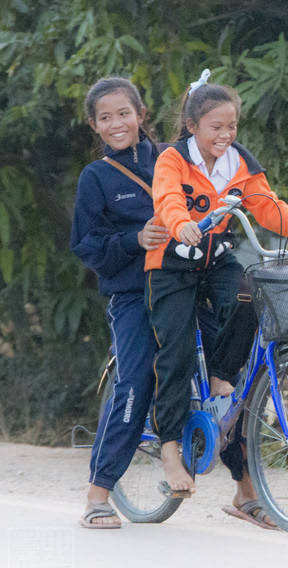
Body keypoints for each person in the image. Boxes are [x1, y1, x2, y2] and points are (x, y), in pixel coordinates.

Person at [145, 70, 288, 528]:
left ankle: (224, 377)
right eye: (216, 128)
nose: (225, 136)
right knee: (177, 353)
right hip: (171, 266)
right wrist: (180, 220)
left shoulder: (239, 163)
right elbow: (166, 197)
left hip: (215, 261)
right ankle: (170, 452)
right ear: (192, 126)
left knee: (252, 293)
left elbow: (268, 205)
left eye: (231, 127)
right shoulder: (172, 158)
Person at [71, 77, 171, 528]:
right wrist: (134, 239)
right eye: (106, 117)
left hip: (184, 285)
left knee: (230, 371)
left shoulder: (173, 161)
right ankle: (98, 495)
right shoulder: (96, 177)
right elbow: (86, 244)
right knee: (134, 381)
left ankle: (247, 492)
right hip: (133, 294)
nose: (117, 124)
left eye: (124, 114)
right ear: (95, 125)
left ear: (141, 114)